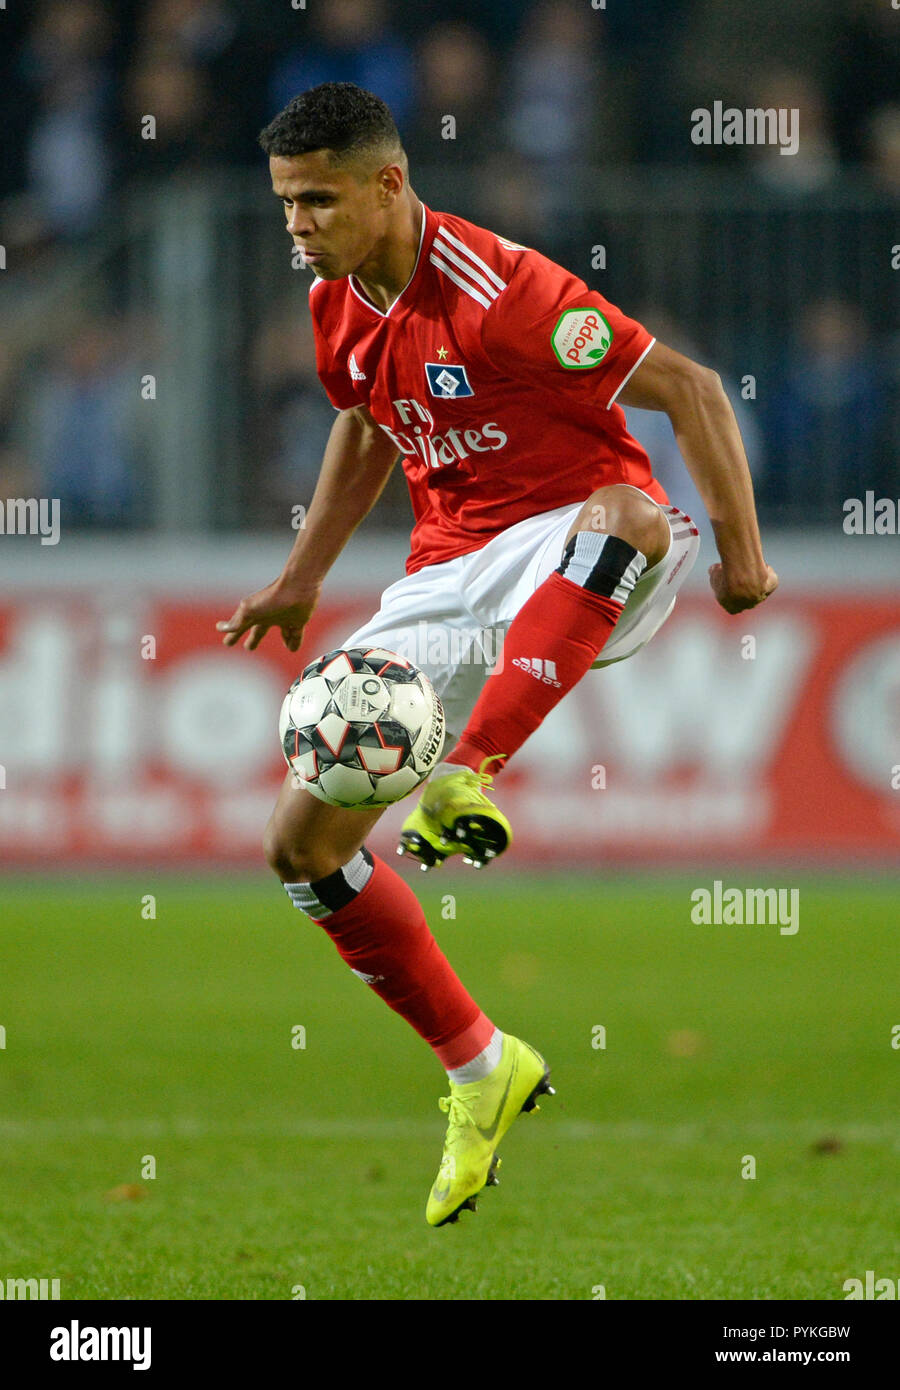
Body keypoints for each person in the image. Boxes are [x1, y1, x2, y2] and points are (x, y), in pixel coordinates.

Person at [218, 82, 777, 1228]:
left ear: (389, 182)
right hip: (449, 572)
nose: (298, 225)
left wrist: (742, 558)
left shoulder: (504, 289)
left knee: (622, 515)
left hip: (583, 534)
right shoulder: (336, 305)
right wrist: (304, 576)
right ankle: (481, 1068)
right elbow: (369, 423)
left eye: (317, 199)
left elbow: (693, 390)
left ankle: (469, 772)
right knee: (297, 843)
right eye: (284, 204)